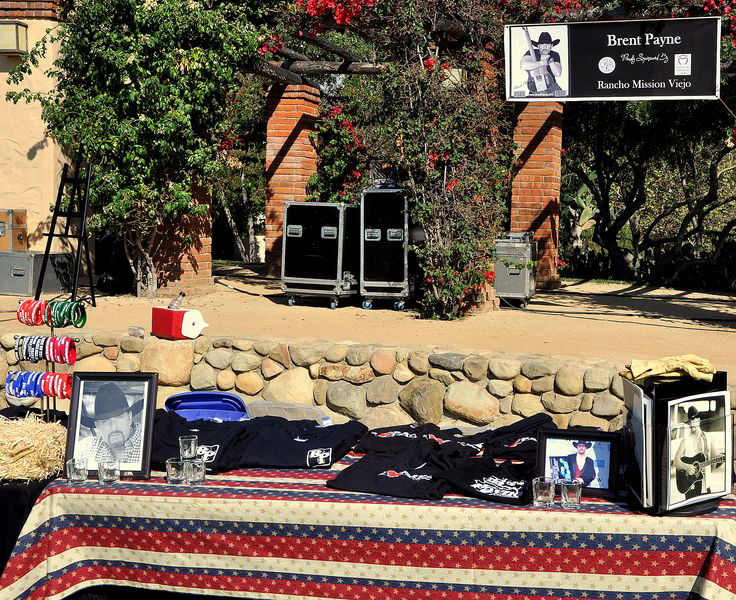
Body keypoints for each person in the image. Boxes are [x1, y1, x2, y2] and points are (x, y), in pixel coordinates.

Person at [77, 382, 143, 465]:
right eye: (105, 421)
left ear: (129, 417)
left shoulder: (149, 444)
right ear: (97, 426)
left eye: (119, 418)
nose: (113, 427)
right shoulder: (86, 449)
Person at [673, 406, 715, 499]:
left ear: (699, 420)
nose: (691, 424)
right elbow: (675, 461)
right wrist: (686, 467)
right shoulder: (685, 441)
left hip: (705, 485)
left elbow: (716, 456)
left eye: (693, 421)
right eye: (690, 422)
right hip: (691, 487)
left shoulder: (708, 437)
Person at [520, 31, 563, 96]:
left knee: (564, 96)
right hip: (535, 86)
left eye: (548, 44)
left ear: (551, 46)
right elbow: (523, 65)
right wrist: (541, 63)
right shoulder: (531, 52)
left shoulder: (554, 54)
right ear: (538, 46)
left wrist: (550, 61)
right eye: (542, 44)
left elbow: (558, 73)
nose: (545, 46)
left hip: (552, 85)